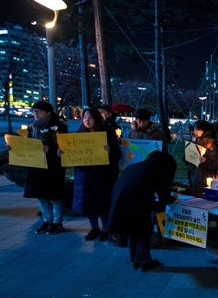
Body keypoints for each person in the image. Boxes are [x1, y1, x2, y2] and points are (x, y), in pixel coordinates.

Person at [107, 151, 178, 271]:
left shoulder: (138, 165)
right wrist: (174, 197)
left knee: (132, 230)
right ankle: (145, 261)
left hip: (120, 197)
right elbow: (164, 197)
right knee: (142, 230)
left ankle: (135, 259)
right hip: (136, 200)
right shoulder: (161, 170)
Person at [65, 108, 122, 241]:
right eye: (85, 117)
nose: (87, 120)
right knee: (88, 203)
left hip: (102, 175)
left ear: (96, 119)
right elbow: (72, 153)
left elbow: (117, 155)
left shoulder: (107, 132)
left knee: (102, 204)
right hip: (84, 175)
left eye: (90, 118)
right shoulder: (79, 134)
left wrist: (110, 150)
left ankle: (105, 229)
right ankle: (94, 228)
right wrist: (63, 153)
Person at [20, 101, 68, 235]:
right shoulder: (32, 126)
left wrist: (51, 149)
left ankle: (57, 222)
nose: (35, 114)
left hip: (53, 165)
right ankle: (47, 220)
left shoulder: (58, 126)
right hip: (37, 165)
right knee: (41, 194)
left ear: (48, 113)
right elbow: (27, 144)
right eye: (33, 111)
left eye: (38, 111)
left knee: (54, 194)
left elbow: (65, 145)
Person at [185, 120, 218, 191]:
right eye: (194, 129)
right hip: (195, 178)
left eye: (196, 129)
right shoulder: (196, 142)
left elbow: (215, 164)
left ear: (204, 130)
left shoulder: (212, 146)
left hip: (206, 180)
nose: (194, 131)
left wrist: (205, 160)